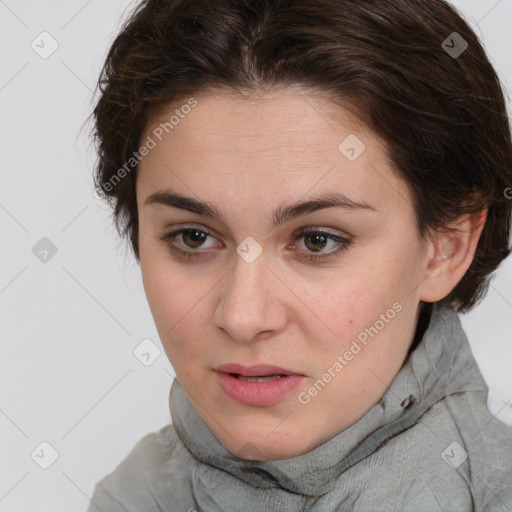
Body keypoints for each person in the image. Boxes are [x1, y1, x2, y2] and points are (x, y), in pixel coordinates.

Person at [86, 0, 512, 510]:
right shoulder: (131, 497)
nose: (243, 317)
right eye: (194, 237)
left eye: (317, 240)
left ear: (446, 247)